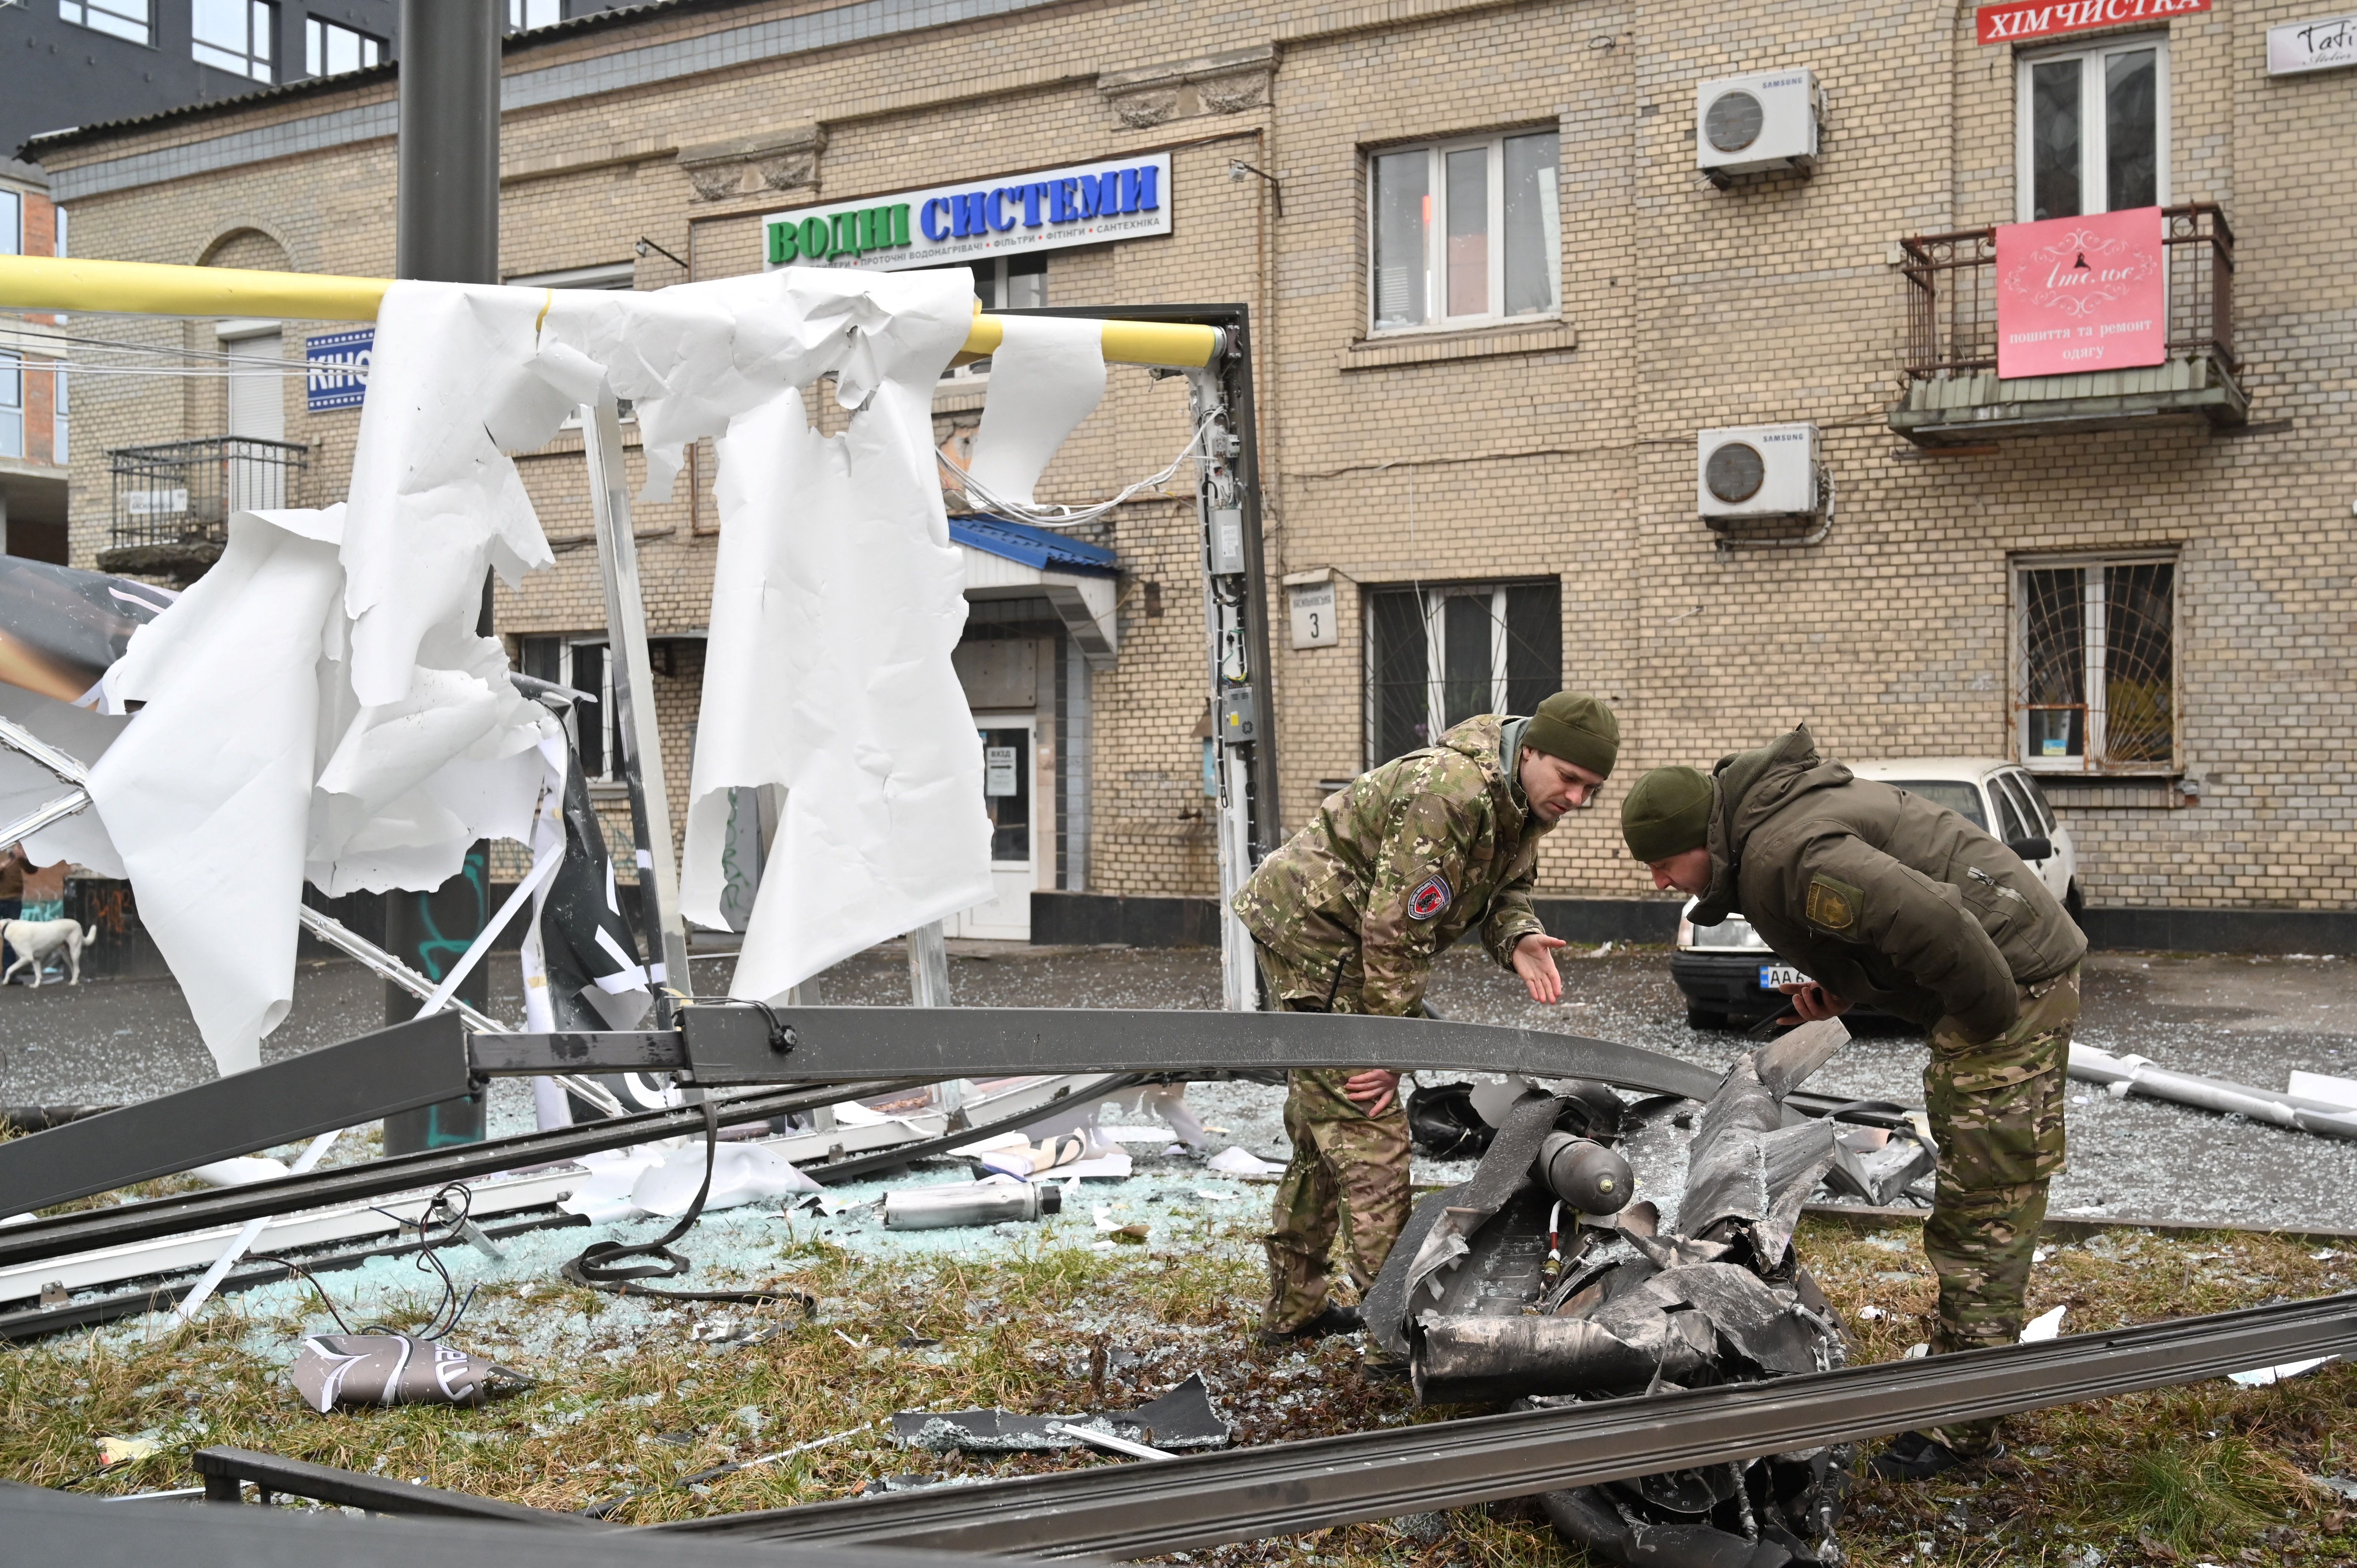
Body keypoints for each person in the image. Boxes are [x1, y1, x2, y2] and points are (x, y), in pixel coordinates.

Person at [1620, 726, 2085, 1476]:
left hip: (2014, 985)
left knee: (1985, 1204)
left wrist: (1986, 1025)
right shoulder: (1768, 832)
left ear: (1697, 842)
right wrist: (1850, 990)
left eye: (1663, 864)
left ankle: (1963, 1429)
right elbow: (1890, 926)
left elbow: (1936, 923)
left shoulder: (1784, 855)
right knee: (1985, 1191)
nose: (1659, 883)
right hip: (2011, 971)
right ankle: (1966, 1378)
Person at [1233, 691, 1621, 1342]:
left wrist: (1518, 934)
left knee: (1319, 1124)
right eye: (1571, 780)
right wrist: (1389, 1050)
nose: (1577, 799)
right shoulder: (1452, 791)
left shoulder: (1524, 800)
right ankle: (1402, 1333)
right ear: (1530, 751)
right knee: (1367, 1126)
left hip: (1352, 933)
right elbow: (1394, 933)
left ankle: (1292, 1311)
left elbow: (1507, 887)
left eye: (1593, 789)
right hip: (1321, 934)